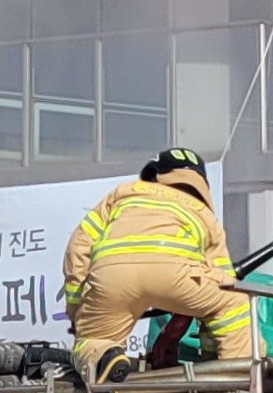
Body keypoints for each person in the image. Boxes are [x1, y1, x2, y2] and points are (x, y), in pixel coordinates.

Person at [63, 146, 253, 379]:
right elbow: (223, 275)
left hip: (112, 277)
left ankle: (105, 359)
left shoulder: (124, 193)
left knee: (94, 341)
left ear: (156, 175)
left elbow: (79, 247)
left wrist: (76, 307)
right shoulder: (202, 212)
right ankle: (237, 371)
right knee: (233, 303)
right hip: (175, 277)